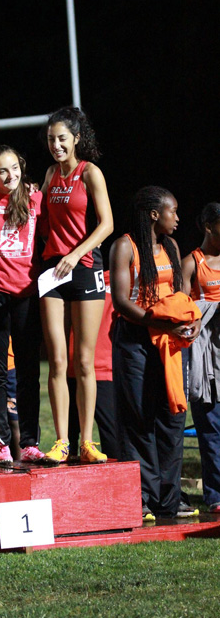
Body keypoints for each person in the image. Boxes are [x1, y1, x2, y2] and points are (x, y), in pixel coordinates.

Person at [110, 185, 200, 519]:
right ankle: (143, 497)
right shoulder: (125, 246)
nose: (176, 218)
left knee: (172, 418)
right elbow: (122, 302)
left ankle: (170, 497)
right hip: (136, 342)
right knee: (139, 419)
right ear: (153, 214)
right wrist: (160, 325)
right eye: (171, 211)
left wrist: (192, 321)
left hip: (171, 343)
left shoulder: (172, 246)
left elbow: (180, 295)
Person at [40, 106, 113, 464]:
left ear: (77, 139)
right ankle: (61, 441)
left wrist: (76, 252)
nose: (56, 145)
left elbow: (107, 224)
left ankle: (86, 440)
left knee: (83, 361)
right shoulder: (50, 174)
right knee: (57, 360)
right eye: (51, 139)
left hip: (84, 267)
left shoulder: (90, 174)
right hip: (53, 273)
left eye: (62, 138)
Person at [0, 145, 45, 464]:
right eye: (2, 170)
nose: (10, 175)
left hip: (26, 295)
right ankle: (2, 443)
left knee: (30, 370)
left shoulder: (35, 199)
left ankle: (30, 442)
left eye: (15, 168)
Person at [182, 202, 220, 513]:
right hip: (205, 357)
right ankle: (216, 496)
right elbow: (181, 309)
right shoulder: (192, 263)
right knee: (210, 428)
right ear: (209, 226)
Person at [67, 270, 122, 460]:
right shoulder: (74, 274)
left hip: (104, 369)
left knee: (114, 445)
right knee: (67, 450)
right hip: (73, 369)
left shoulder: (122, 277)